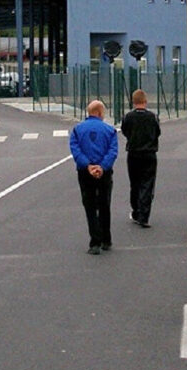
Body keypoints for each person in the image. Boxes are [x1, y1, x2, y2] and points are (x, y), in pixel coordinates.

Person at [69, 100, 119, 255]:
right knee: (104, 203)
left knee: (90, 205)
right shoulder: (110, 130)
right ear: (99, 112)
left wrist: (88, 165)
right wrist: (102, 166)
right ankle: (106, 238)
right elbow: (113, 151)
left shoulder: (77, 130)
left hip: (85, 172)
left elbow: (75, 149)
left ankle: (95, 242)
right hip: (104, 172)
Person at [121, 89, 161, 228]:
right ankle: (144, 215)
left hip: (133, 154)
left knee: (135, 183)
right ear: (145, 101)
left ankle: (136, 210)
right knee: (147, 184)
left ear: (133, 102)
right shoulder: (152, 117)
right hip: (149, 154)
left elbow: (125, 131)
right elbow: (157, 132)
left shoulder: (128, 117)